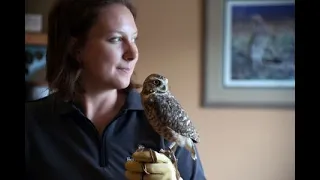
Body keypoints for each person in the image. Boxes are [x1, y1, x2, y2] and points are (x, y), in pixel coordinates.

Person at [25, 0, 207, 179]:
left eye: (134, 39)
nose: (133, 53)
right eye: (116, 39)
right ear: (76, 49)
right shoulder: (31, 123)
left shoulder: (161, 117)